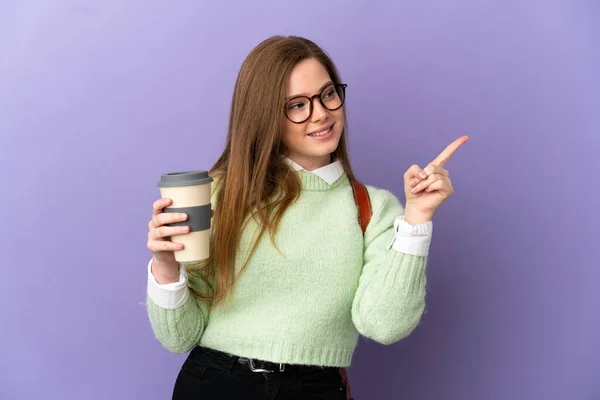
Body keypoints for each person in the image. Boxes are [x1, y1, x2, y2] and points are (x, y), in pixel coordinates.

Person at [145, 35, 468, 400]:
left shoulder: (373, 209)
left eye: (328, 94)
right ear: (264, 115)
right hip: (215, 383)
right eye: (297, 105)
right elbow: (179, 337)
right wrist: (166, 267)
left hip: (315, 390)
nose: (321, 113)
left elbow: (384, 325)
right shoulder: (221, 196)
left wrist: (417, 218)